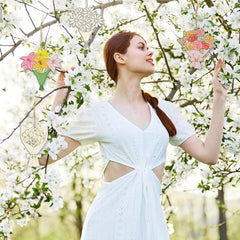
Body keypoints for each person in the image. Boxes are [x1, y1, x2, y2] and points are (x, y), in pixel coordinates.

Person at [39, 30, 227, 240]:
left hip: (151, 228)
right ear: (120, 57)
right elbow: (44, 157)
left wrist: (219, 98)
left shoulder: (165, 111)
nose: (150, 52)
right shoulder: (98, 113)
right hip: (107, 227)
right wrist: (60, 97)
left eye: (148, 47)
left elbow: (209, 155)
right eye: (141, 47)